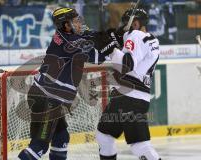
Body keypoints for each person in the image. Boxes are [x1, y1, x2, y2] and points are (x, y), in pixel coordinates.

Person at [18, 7, 120, 160]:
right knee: (39, 146)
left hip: (44, 97)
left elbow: (88, 36)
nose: (79, 23)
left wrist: (104, 35)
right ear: (66, 25)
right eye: (75, 21)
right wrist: (111, 43)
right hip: (49, 101)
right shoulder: (71, 43)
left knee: (61, 138)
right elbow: (97, 58)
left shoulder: (66, 36)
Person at [96, 8, 162, 160]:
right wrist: (115, 42)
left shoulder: (136, 35)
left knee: (140, 146)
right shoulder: (152, 40)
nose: (124, 27)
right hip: (132, 97)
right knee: (104, 136)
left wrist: (110, 47)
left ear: (136, 23)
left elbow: (127, 64)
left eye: (126, 24)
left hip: (129, 97)